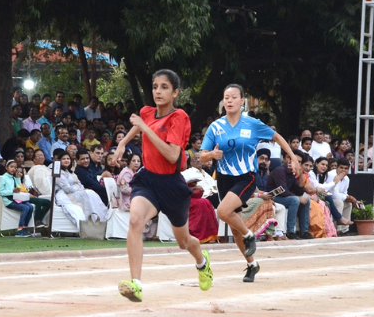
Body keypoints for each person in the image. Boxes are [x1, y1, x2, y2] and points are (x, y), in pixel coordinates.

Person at [112, 69, 212, 301]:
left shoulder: (180, 118)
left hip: (172, 185)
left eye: (164, 87)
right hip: (148, 181)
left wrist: (145, 128)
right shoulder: (147, 112)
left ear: (175, 92)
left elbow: (170, 154)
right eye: (155, 87)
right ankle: (136, 284)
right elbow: (139, 124)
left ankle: (202, 262)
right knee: (136, 220)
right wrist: (122, 144)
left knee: (184, 241)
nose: (158, 91)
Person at [201, 83, 301, 281]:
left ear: (242, 101)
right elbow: (202, 156)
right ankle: (252, 264)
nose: (229, 101)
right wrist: (212, 154)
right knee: (236, 231)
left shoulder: (252, 124)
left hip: (246, 177)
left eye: (233, 97)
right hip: (223, 178)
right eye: (226, 97)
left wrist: (294, 157)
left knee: (222, 212)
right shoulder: (216, 126)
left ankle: (249, 235)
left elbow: (277, 137)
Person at [0, 159, 34, 236]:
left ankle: (25, 227)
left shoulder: (14, 177)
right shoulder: (3, 178)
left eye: (15, 167)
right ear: (6, 167)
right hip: (9, 201)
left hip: (17, 199)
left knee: (30, 207)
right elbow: (0, 192)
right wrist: (12, 191)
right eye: (11, 167)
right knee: (26, 208)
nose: (13, 169)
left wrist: (17, 178)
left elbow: (19, 189)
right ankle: (19, 229)